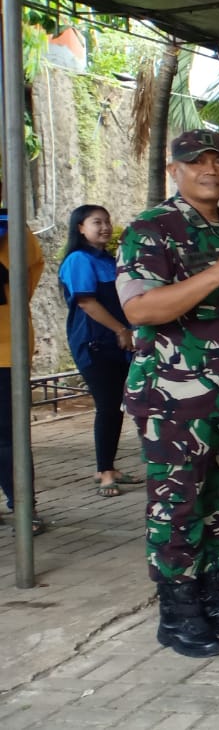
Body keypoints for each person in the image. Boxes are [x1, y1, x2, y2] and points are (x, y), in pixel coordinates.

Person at [117, 130, 219, 657]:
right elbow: (141, 310)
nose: (210, 170)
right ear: (173, 168)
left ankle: (212, 593)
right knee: (176, 506)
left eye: (218, 161)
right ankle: (177, 613)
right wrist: (218, 273)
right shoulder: (150, 229)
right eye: (196, 162)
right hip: (174, 400)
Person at [59, 204, 138, 498]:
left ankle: (109, 466)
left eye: (106, 221)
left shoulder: (108, 258)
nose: (104, 227)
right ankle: (104, 471)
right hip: (94, 344)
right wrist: (121, 330)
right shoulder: (79, 260)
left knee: (115, 406)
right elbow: (86, 303)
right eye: (96, 222)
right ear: (80, 227)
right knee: (106, 406)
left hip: (117, 343)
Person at [0, 201, 47, 535]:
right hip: (7, 347)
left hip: (8, 350)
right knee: (10, 437)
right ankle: (22, 508)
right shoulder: (12, 228)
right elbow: (28, 279)